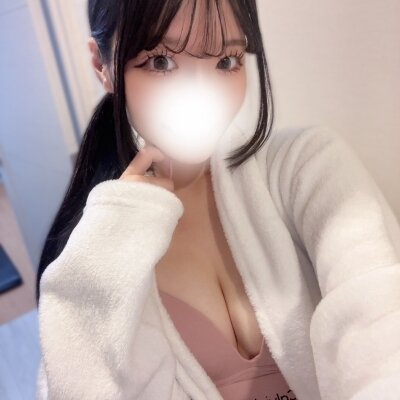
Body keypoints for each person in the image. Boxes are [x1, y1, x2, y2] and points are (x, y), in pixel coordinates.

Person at [35, 0, 400, 399]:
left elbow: (381, 318)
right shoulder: (102, 249)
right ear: (101, 65)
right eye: (160, 61)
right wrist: (118, 234)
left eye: (226, 61)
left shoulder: (307, 168)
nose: (201, 95)